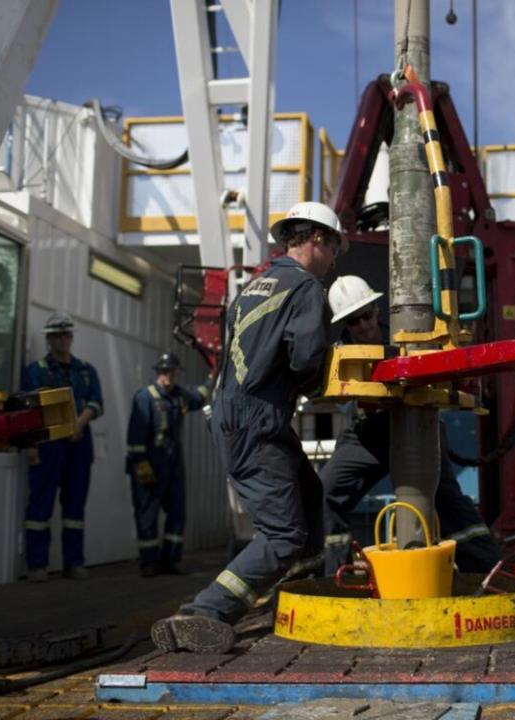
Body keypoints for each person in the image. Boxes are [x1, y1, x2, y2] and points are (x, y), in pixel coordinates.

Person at [151, 201, 344, 654]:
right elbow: (304, 357)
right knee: (282, 534)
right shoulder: (307, 290)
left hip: (243, 414)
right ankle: (205, 611)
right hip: (257, 420)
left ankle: (295, 594)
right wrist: (323, 383)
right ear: (316, 238)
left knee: (310, 495)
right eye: (335, 247)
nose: (336, 259)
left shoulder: (255, 286)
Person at [320, 275, 500, 574]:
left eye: (366, 315)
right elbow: (336, 396)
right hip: (367, 435)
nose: (363, 325)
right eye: (353, 321)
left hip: (417, 425)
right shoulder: (340, 352)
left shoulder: (404, 335)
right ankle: (332, 576)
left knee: (446, 498)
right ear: (345, 324)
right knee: (325, 491)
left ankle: (487, 570)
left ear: (377, 310)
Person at [21, 311, 103, 582]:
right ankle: (37, 566)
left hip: (78, 444)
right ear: (49, 338)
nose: (63, 339)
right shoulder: (36, 371)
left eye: (67, 334)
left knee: (75, 507)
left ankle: (74, 563)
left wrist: (77, 424)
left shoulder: (86, 370)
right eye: (57, 335)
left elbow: (96, 403)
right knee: (40, 506)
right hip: (48, 445)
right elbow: (29, 410)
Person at [126, 352, 212, 577]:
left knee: (176, 511)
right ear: (158, 373)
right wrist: (141, 465)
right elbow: (135, 435)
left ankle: (170, 561)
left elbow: (198, 399)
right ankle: (149, 563)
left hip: (173, 463)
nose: (168, 376)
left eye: (172, 372)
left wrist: (212, 377)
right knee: (147, 514)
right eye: (164, 372)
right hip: (150, 463)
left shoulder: (179, 396)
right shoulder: (144, 397)